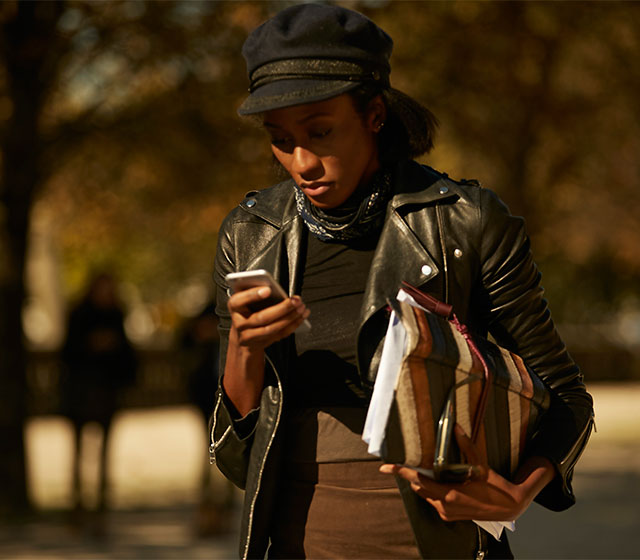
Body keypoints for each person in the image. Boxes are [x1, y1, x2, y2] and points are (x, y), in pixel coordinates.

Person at [209, 4, 594, 559]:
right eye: (279, 138)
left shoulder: (467, 221)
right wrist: (244, 352)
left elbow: (565, 397)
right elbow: (236, 459)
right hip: (297, 539)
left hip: (437, 542)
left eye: (320, 132)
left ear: (375, 115)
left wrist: (516, 494)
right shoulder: (249, 235)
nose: (300, 162)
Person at [60, 272, 137, 523]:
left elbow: (127, 356)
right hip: (81, 391)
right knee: (79, 452)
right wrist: (92, 345)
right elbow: (68, 352)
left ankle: (101, 504)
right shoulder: (80, 315)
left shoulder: (115, 316)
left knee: (104, 451)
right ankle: (77, 503)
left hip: (106, 391)